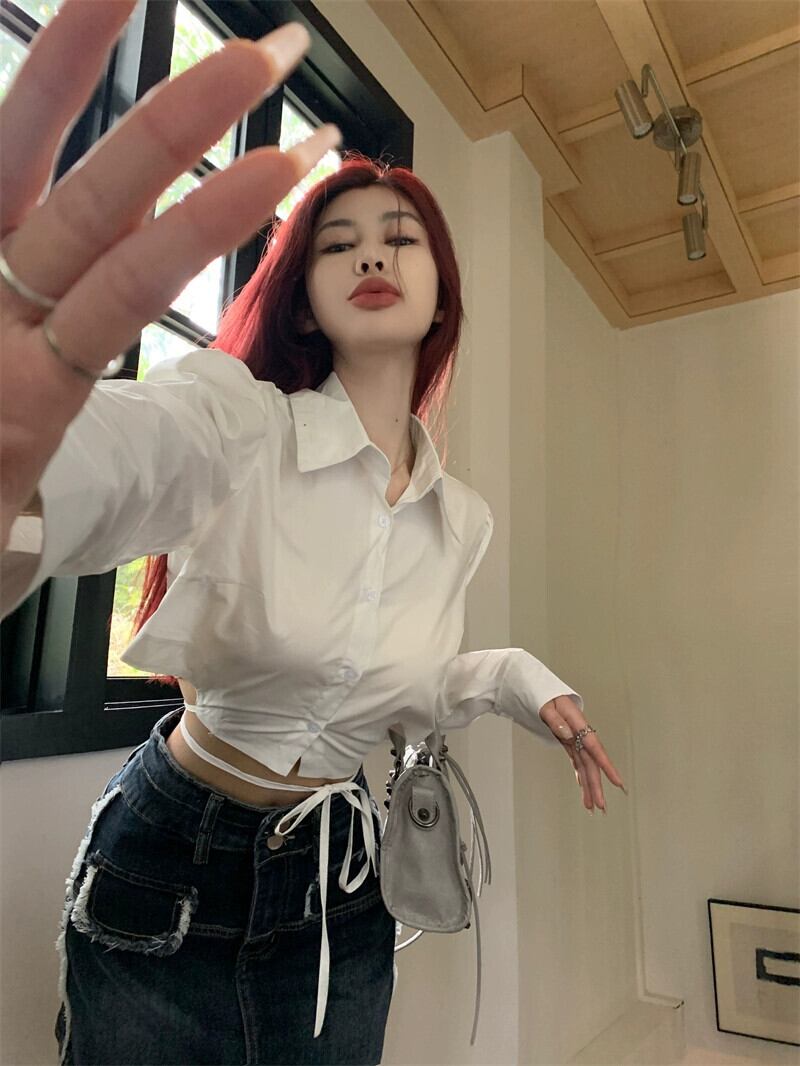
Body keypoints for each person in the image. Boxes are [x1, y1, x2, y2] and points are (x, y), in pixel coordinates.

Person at [0, 3, 626, 1064]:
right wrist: (25, 469)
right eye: (338, 242)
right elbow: (123, 454)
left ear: (441, 296)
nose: (371, 254)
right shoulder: (239, 421)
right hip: (168, 869)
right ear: (302, 303)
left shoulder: (459, 519)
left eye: (400, 239)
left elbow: (396, 685)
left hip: (341, 893)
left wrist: (514, 676)